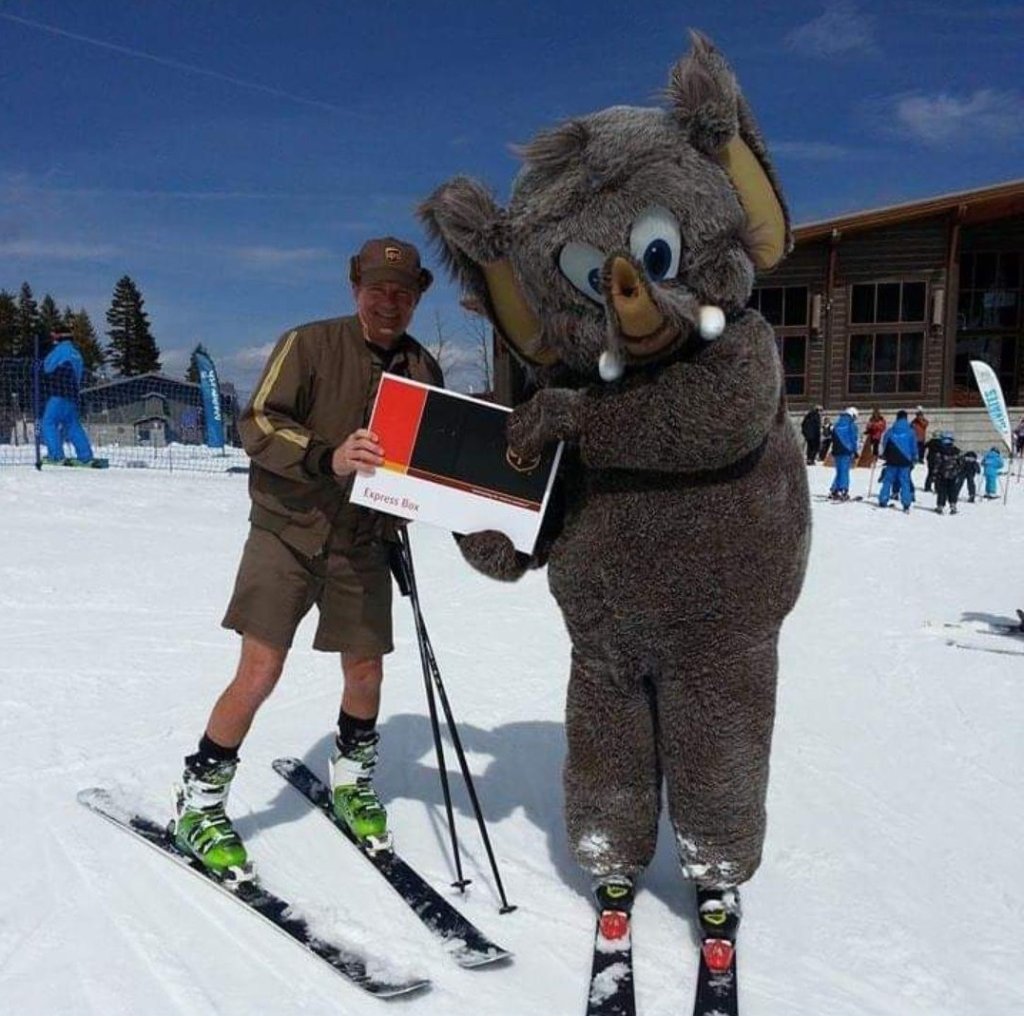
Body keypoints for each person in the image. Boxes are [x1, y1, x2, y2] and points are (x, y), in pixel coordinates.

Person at [171, 237, 443, 877]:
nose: (389, 302)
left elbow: (421, 456)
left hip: (363, 541)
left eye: (402, 293)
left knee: (367, 672)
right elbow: (258, 421)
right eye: (377, 289)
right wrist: (327, 456)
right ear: (356, 290)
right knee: (260, 672)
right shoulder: (310, 343)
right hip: (287, 532)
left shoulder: (424, 368)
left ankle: (350, 781)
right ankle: (199, 801)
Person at [40, 337, 96, 466]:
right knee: (72, 424)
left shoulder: (60, 350)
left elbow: (47, 367)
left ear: (57, 337)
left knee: (48, 422)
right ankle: (86, 456)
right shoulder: (76, 353)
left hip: (59, 392)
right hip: (73, 393)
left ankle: (56, 456)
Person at [877, 409, 916, 512]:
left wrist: (885, 456)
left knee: (888, 480)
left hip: (892, 460)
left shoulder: (890, 431)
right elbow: (913, 446)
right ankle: (906, 503)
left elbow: (884, 443)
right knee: (905, 482)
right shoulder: (910, 431)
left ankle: (883, 499)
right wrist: (914, 457)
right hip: (905, 460)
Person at [828, 406, 859, 500]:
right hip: (846, 450)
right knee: (845, 471)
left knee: (839, 471)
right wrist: (854, 451)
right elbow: (853, 439)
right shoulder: (851, 425)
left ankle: (834, 489)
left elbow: (833, 437)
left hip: (837, 450)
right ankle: (843, 490)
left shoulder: (837, 424)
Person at [933, 432, 963, 514]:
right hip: (953, 474)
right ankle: (953, 506)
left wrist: (934, 474)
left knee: (942, 490)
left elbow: (937, 463)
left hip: (942, 474)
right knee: (953, 490)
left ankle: (940, 506)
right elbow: (961, 463)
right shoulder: (957, 451)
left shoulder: (940, 451)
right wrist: (958, 472)